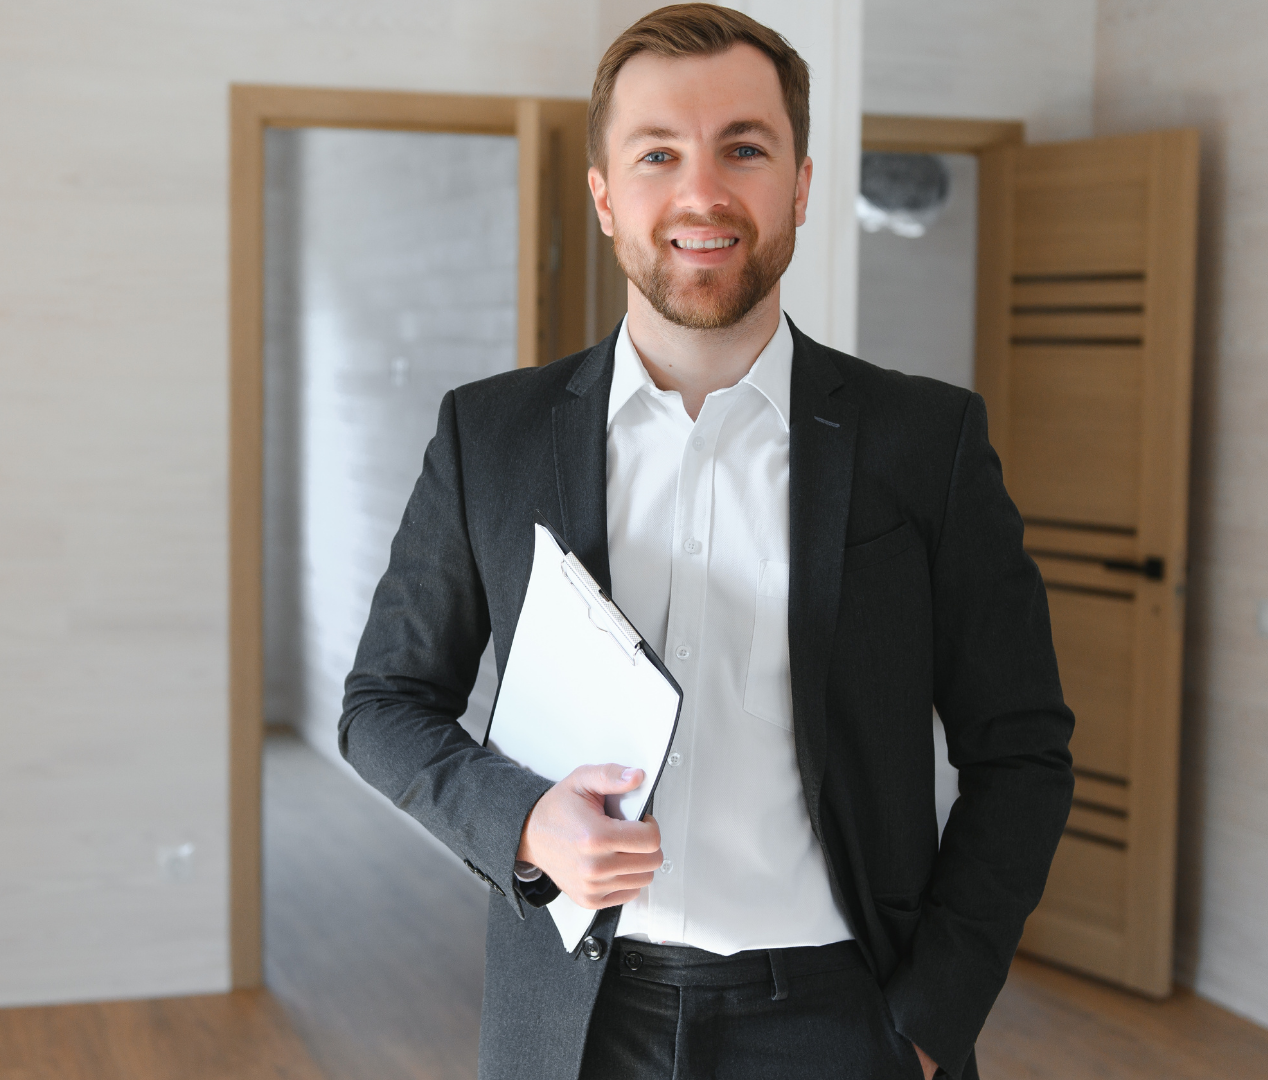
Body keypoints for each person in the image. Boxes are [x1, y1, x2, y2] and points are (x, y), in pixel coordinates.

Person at [339, 5, 1074, 1078]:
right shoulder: (489, 437)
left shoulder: (926, 443)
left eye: (744, 148)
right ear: (603, 196)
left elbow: (1022, 750)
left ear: (802, 185)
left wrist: (931, 1015)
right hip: (573, 1026)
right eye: (656, 155)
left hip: (843, 1021)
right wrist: (526, 822)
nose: (702, 193)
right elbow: (383, 707)